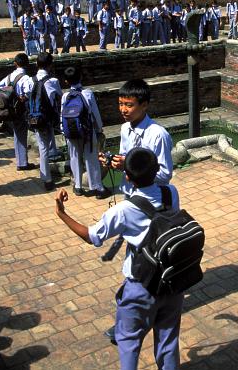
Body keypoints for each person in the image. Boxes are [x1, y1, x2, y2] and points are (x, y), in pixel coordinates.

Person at [54, 147, 183, 369]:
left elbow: (92, 236)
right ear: (156, 171)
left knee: (128, 339)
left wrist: (62, 213)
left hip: (140, 286)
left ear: (127, 176)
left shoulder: (123, 210)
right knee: (168, 340)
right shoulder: (171, 192)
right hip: (172, 279)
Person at [100, 79, 173, 197]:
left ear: (144, 105)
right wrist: (112, 162)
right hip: (129, 191)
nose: (123, 110)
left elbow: (165, 174)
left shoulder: (158, 135)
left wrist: (131, 168)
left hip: (150, 196)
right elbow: (124, 157)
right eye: (120, 103)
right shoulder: (125, 128)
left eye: (129, 105)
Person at [17, 52, 61, 191]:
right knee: (44, 147)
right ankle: (47, 179)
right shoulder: (52, 81)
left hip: (34, 117)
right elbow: (58, 96)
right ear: (50, 65)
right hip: (48, 118)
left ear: (37, 64)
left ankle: (47, 175)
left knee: (43, 146)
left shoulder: (30, 80)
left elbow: (23, 95)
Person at [61, 66, 107, 197]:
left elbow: (62, 115)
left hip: (71, 132)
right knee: (91, 157)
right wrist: (99, 128)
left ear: (66, 81)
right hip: (87, 131)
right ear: (80, 77)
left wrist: (65, 132)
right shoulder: (87, 93)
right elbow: (95, 113)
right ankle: (97, 188)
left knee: (75, 157)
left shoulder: (65, 96)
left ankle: (78, 186)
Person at [0, 53, 34, 172]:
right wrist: (20, 97)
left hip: (11, 109)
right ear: (27, 64)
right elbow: (29, 93)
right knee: (21, 135)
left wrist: (8, 95)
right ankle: (22, 163)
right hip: (21, 109)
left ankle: (21, 160)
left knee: (17, 134)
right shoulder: (26, 78)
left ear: (15, 64)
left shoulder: (10, 76)